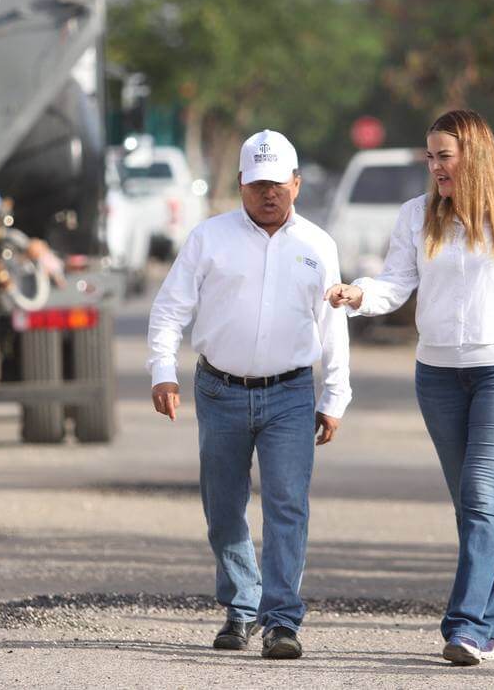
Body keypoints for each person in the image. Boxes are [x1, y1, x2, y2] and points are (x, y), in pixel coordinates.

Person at [326, 109, 494, 667]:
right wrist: (360, 296)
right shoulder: (417, 215)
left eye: (442, 156)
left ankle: (468, 626)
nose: (434, 167)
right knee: (475, 504)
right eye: (429, 156)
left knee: (479, 493)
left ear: (472, 154)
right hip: (439, 374)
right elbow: (398, 282)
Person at [147, 129, 351, 660]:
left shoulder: (317, 245)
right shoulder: (208, 239)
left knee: (287, 505)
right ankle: (241, 608)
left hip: (289, 395)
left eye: (278, 183)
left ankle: (281, 620)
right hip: (220, 391)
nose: (268, 193)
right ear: (241, 184)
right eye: (258, 183)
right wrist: (161, 371)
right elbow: (170, 309)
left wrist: (335, 396)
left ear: (296, 184)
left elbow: (333, 328)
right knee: (223, 506)